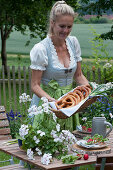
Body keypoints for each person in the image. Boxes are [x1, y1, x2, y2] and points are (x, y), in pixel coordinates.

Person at [30, 1, 89, 131]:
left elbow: (78, 76)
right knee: (46, 146)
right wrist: (54, 103)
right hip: (47, 104)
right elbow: (35, 85)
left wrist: (90, 91)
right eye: (62, 26)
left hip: (69, 104)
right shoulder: (41, 49)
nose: (65, 31)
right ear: (52, 23)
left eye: (69, 27)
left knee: (70, 145)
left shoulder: (73, 43)